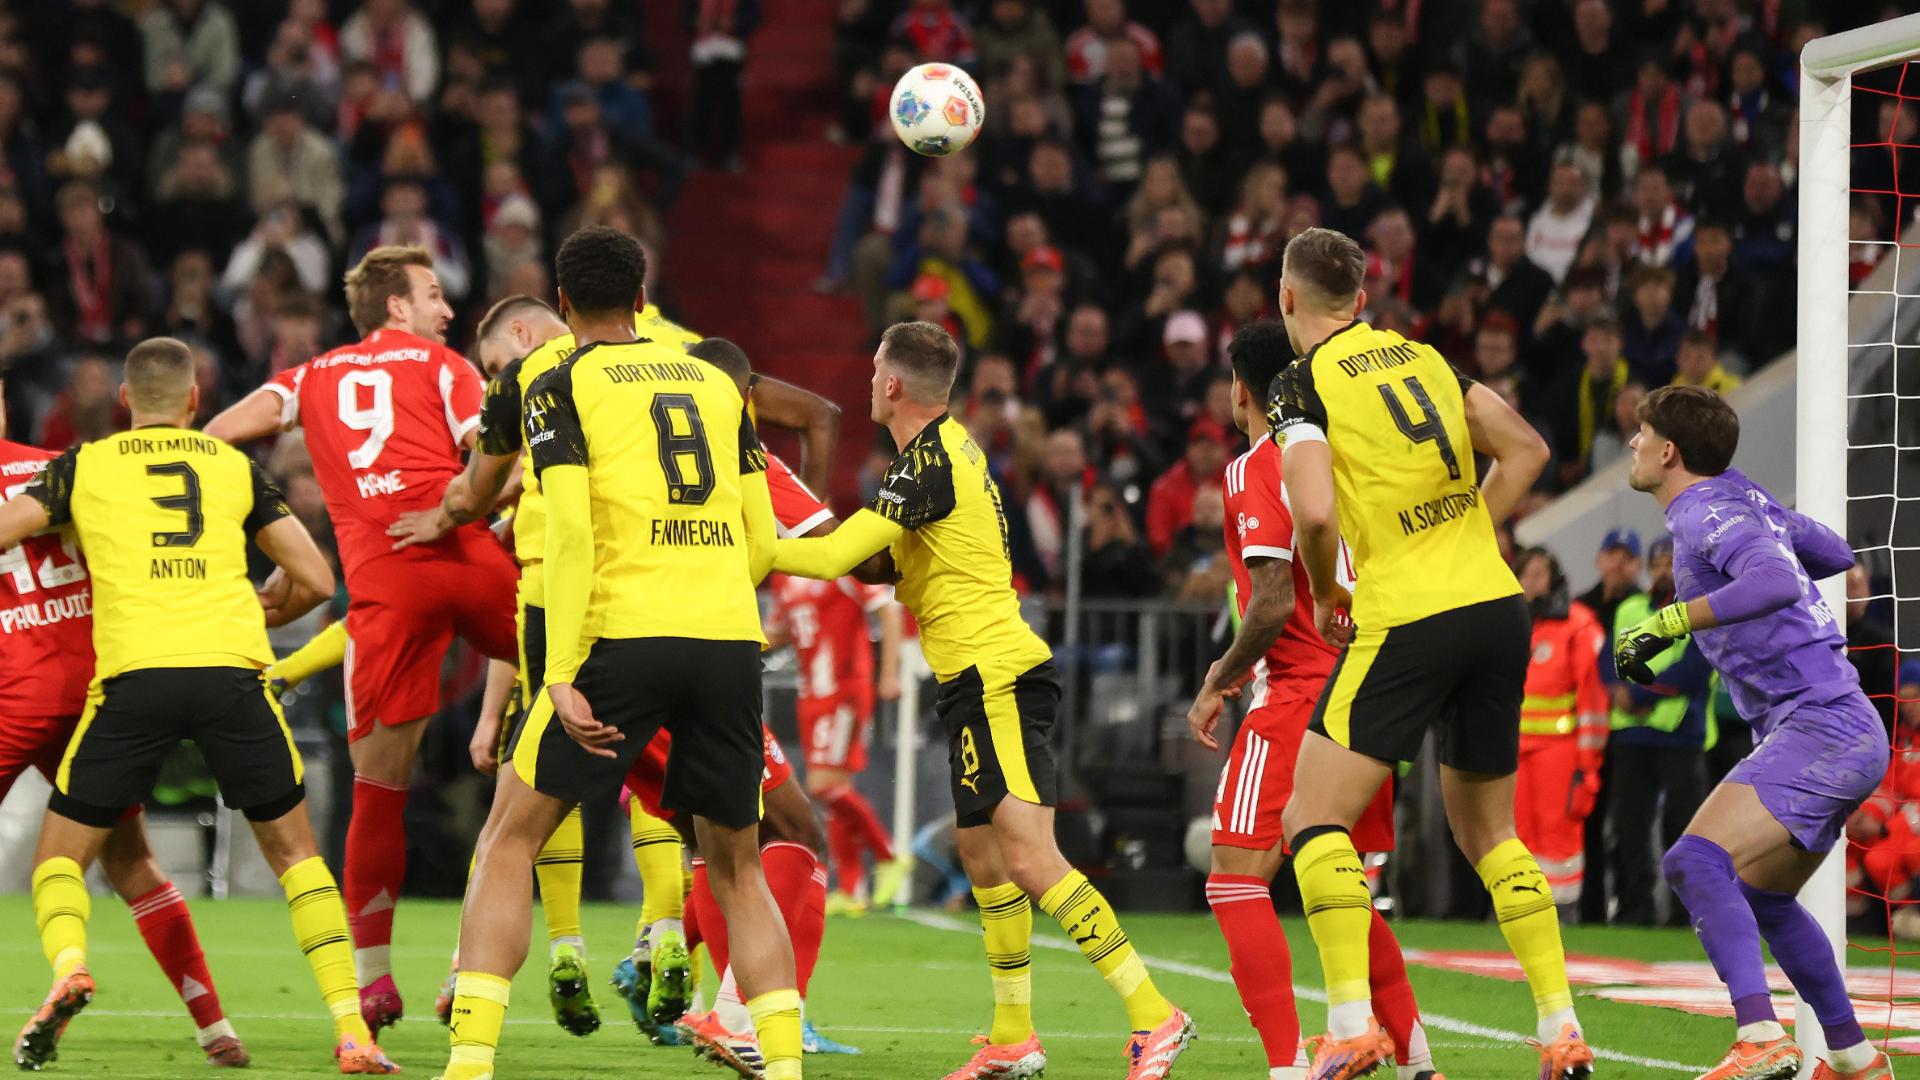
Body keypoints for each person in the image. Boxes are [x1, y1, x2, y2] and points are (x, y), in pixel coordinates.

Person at [773, 320, 1194, 1080]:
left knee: (1030, 857)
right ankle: (1012, 1035)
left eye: (874, 372)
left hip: (994, 675)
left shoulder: (930, 460)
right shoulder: (941, 454)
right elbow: (874, 566)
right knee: (982, 853)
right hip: (974, 679)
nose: (869, 383)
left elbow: (834, 558)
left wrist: (744, 540)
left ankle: (1154, 1014)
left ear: (893, 383)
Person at [436, 225, 800, 1080]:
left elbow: (566, 534)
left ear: (562, 304)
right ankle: (784, 1067)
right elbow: (762, 539)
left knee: (509, 840)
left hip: (620, 637)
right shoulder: (716, 382)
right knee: (737, 866)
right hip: (725, 641)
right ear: (641, 299)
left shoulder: (556, 380)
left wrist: (561, 671)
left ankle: (469, 1064)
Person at [0, 337, 397, 1074]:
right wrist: (267, 612)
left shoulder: (84, 465)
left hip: (134, 680)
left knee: (59, 859)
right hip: (231, 675)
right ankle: (353, 1032)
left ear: (125, 400)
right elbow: (316, 579)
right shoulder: (231, 465)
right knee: (298, 857)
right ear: (194, 399)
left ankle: (72, 967)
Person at [1261, 227, 1587, 1079]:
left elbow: (1315, 513)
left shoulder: (1300, 382)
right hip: (1496, 606)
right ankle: (1561, 1028)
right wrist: (1466, 529)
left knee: (1311, 820)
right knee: (1491, 834)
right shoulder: (1427, 358)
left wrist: (1327, 592)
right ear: (1362, 300)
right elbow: (1529, 450)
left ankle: (1347, 1026)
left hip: (1406, 613)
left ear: (1288, 298)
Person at [203, 245, 521, 1033]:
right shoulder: (444, 365)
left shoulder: (309, 376)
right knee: (585, 688)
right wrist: (454, 510)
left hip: (383, 581)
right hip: (467, 557)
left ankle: (373, 982)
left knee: (378, 792)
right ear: (398, 307)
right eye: (434, 295)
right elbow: (501, 457)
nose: (447, 310)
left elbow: (215, 436)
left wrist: (273, 532)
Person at [1184, 320, 1440, 1080]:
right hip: (1367, 692)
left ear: (1241, 390)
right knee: (1340, 888)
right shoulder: (1343, 458)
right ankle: (1418, 1064)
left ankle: (1286, 1068)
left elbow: (1270, 601)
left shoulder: (1257, 466)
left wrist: (1217, 676)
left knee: (1234, 877)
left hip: (1298, 693)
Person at [1618, 386, 1893, 1080]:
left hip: (1819, 723)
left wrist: (1670, 621)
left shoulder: (1703, 510)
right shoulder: (1736, 501)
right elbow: (1835, 553)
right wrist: (1769, 519)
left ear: (1668, 451)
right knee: (1765, 896)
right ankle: (1857, 1059)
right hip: (1836, 723)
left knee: (1694, 861)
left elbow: (1774, 581)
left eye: (1640, 433)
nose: (1631, 444)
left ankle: (1761, 1036)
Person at [0, 368, 249, 1069]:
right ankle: (214, 1026)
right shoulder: (65, 467)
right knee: (131, 858)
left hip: (14, 689)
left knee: (73, 863)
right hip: (95, 686)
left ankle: (70, 967)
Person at [766, 568, 909, 914]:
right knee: (838, 791)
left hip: (844, 688)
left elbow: (889, 611)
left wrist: (889, 673)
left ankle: (888, 855)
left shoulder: (840, 564)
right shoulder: (784, 573)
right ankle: (850, 888)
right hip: (811, 693)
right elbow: (780, 631)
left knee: (822, 786)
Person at [1605, 537, 1710, 927]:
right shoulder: (1629, 608)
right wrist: (1620, 690)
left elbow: (1693, 669)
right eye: (1659, 564)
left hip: (1679, 734)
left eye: (1671, 563)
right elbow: (1607, 659)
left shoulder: (1698, 610)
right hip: (1632, 736)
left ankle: (1685, 913)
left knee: (1682, 828)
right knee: (1630, 828)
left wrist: (1635, 694)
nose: (1664, 571)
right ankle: (1636, 908)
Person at [1511, 547, 1609, 914]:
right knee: (1517, 833)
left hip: (1560, 750)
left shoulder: (1578, 624)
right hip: (1513, 751)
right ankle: (1521, 907)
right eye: (1525, 573)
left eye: (1539, 573)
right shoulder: (1510, 625)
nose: (1530, 581)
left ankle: (1563, 910)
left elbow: (1593, 701)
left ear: (1554, 579)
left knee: (1558, 834)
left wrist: (1588, 764)